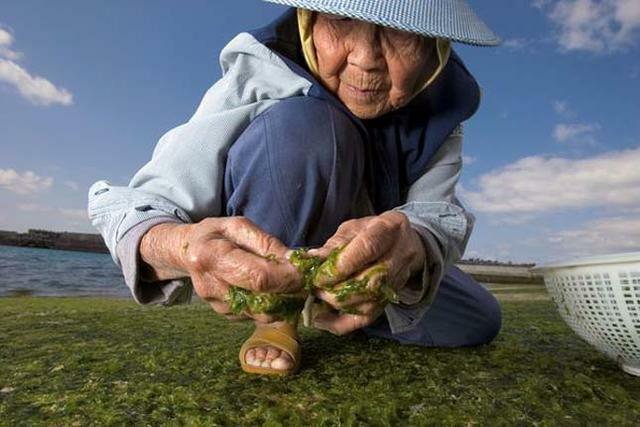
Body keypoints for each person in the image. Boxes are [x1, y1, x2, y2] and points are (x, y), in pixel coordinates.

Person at [88, 0, 503, 376]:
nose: (366, 59)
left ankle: (341, 304)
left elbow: (434, 210)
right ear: (308, 21)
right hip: (275, 243)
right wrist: (180, 245)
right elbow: (141, 205)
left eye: (400, 33)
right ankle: (277, 318)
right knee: (306, 128)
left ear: (436, 49)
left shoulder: (442, 105)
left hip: (364, 264)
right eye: (341, 21)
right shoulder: (259, 72)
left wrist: (412, 246)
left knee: (478, 319)